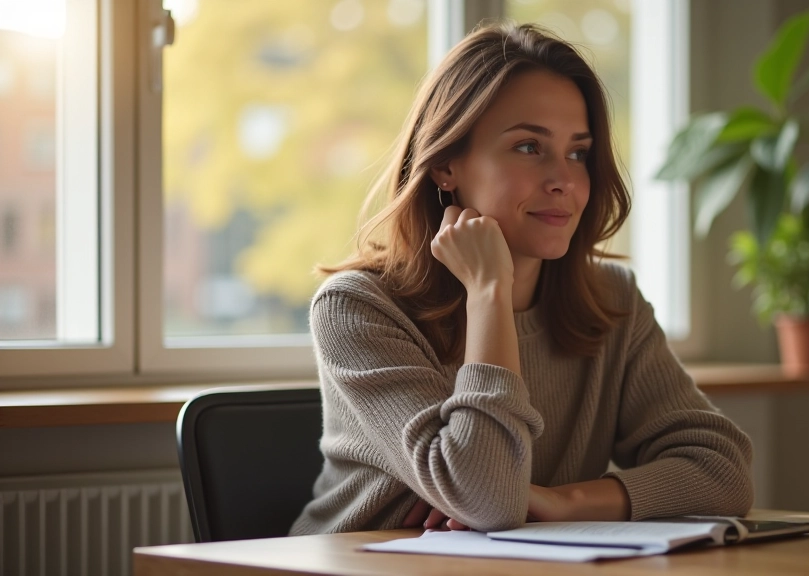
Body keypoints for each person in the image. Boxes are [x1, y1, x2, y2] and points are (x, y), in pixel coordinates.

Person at [289, 22, 753, 536]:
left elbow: (723, 470)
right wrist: (489, 293)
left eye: (578, 152)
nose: (563, 180)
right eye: (529, 147)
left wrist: (565, 502)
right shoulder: (358, 308)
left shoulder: (612, 301)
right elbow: (489, 500)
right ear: (446, 165)